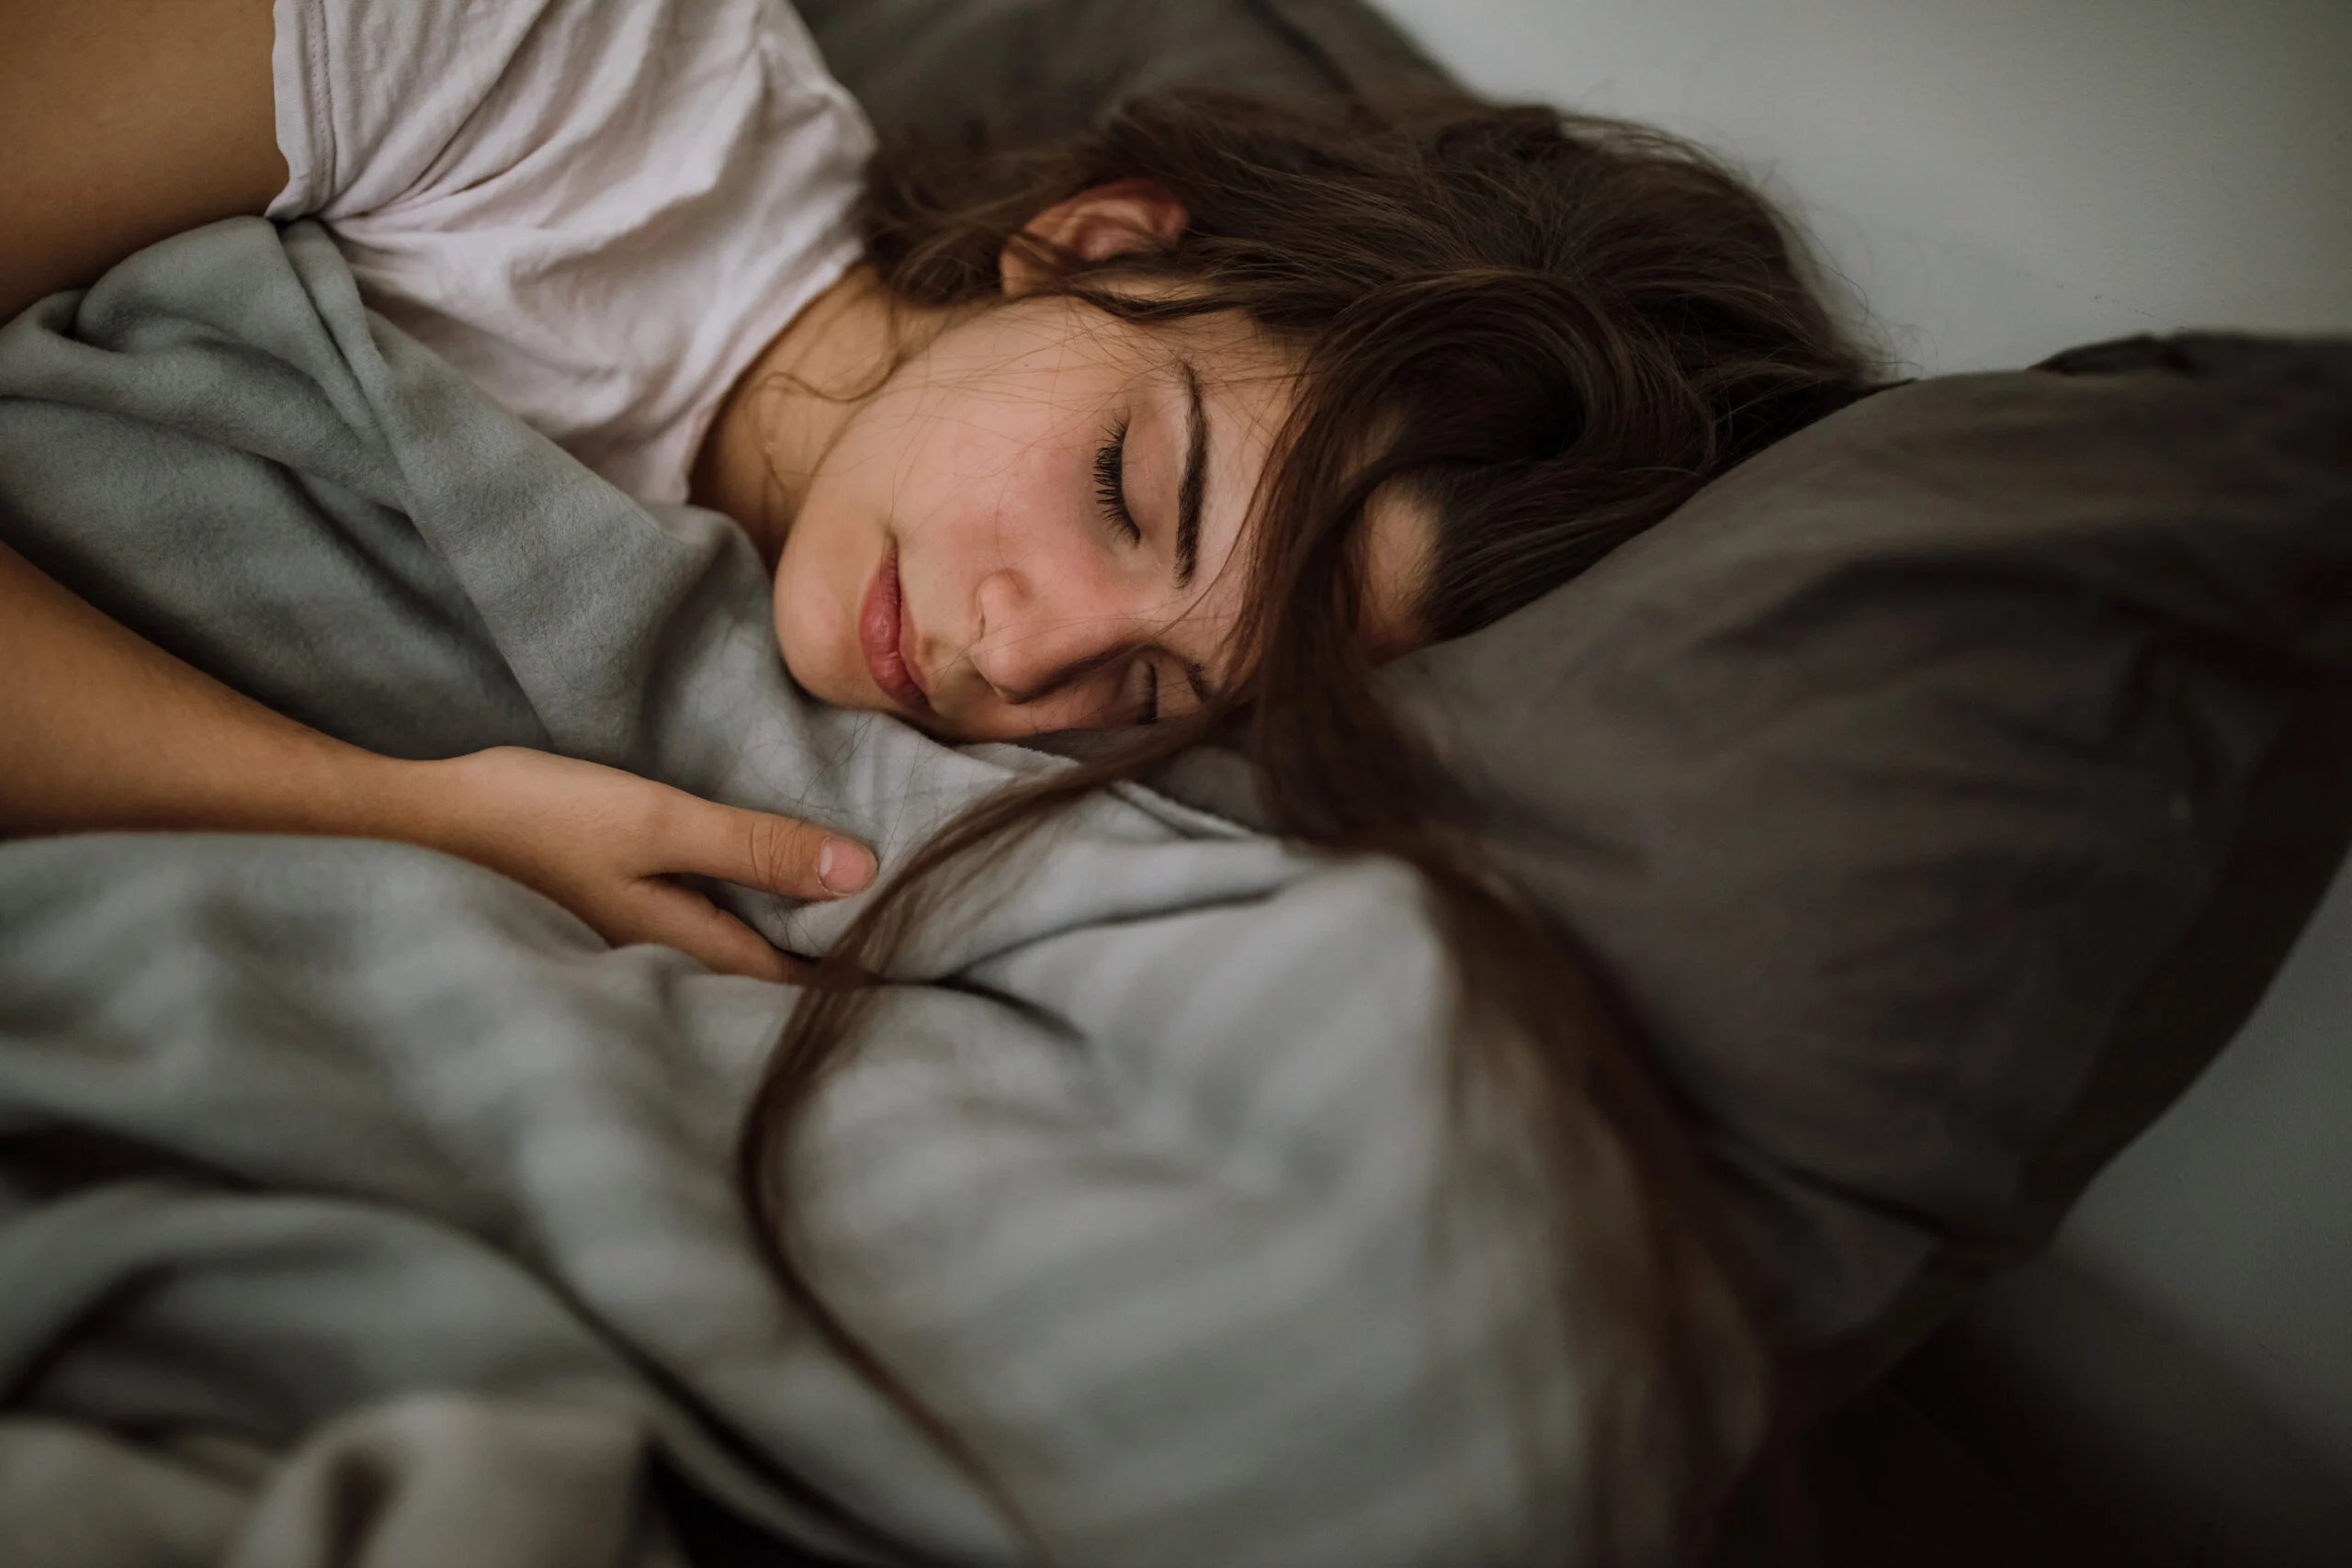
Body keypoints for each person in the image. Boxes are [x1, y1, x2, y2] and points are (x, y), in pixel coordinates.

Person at [3, 0, 1871, 1557]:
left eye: (1151, 681)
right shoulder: (527, 67)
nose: (1028, 650)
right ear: (1092, 243)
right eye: (1128, 489)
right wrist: (397, 812)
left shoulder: (926, 768)